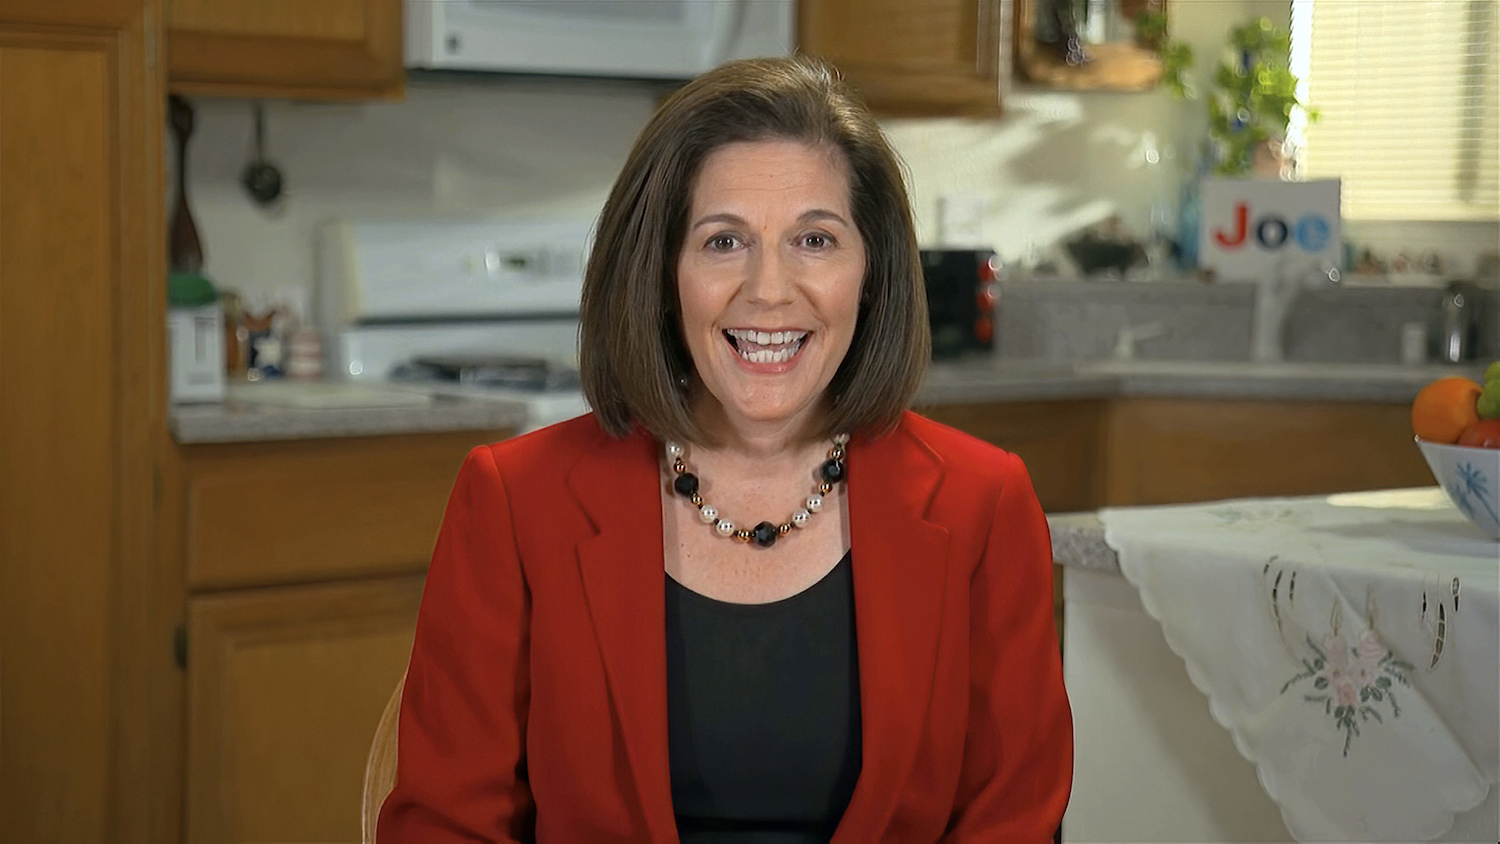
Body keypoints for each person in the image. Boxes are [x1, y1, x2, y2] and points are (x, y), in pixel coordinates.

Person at [377, 56, 1072, 842]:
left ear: (870, 274)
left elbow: (1013, 821)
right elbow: (444, 824)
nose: (769, 289)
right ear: (662, 273)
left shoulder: (985, 502)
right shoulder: (514, 499)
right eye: (722, 241)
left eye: (815, 239)